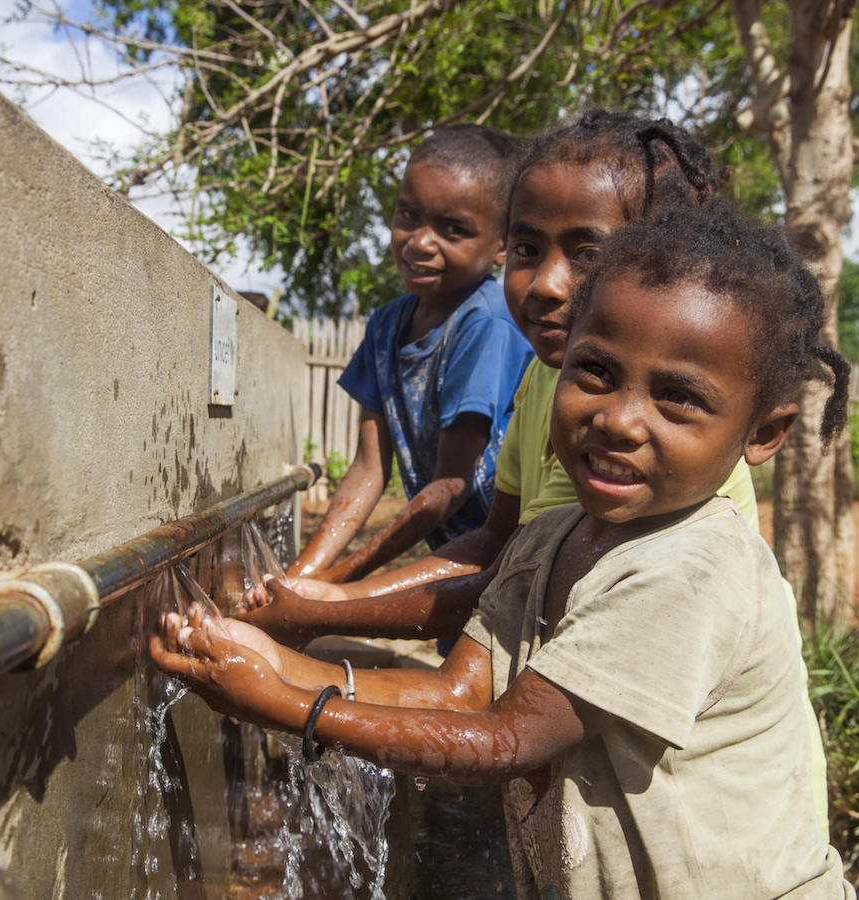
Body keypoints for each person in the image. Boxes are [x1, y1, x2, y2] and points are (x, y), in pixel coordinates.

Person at [152, 203, 854, 897]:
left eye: (676, 398)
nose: (617, 419)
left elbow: (506, 741)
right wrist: (278, 662)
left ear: (763, 434)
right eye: (597, 373)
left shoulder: (690, 572)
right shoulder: (551, 537)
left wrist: (285, 704)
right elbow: (457, 693)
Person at [241, 110, 754, 645]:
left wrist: (328, 600)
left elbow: (489, 539)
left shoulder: (600, 401)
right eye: (531, 251)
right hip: (516, 606)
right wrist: (313, 585)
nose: (547, 285)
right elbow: (496, 543)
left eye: (588, 256)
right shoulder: (542, 374)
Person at [289, 125, 532, 586]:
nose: (419, 242)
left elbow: (452, 485)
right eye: (408, 214)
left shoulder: (487, 323)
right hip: (450, 555)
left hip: (503, 561)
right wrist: (302, 575)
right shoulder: (386, 327)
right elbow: (368, 467)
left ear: (501, 245)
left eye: (453, 229)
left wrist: (338, 583)